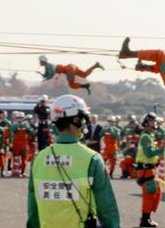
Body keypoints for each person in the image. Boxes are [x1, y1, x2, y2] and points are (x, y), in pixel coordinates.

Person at [27, 94, 119, 228]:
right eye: (83, 119)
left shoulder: (39, 158)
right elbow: (107, 208)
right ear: (76, 120)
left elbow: (33, 211)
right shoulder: (92, 158)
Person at [135, 113, 164, 227]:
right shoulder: (146, 137)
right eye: (152, 121)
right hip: (146, 170)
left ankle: (147, 217)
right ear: (146, 123)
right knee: (149, 194)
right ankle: (144, 220)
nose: (155, 123)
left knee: (155, 194)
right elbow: (148, 153)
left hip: (151, 169)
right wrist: (161, 149)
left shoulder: (149, 137)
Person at [38, 56, 103, 95]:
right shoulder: (47, 66)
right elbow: (46, 74)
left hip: (69, 69)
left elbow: (51, 74)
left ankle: (86, 86)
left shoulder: (48, 66)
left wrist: (45, 79)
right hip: (72, 67)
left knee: (71, 84)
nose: (39, 62)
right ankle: (95, 65)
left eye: (40, 61)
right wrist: (42, 75)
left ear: (43, 61)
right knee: (84, 75)